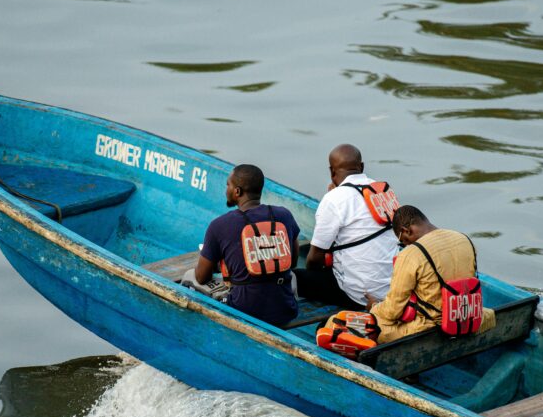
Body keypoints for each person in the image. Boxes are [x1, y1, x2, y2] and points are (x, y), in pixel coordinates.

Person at [365, 206, 495, 344]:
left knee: (373, 325)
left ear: (406, 231)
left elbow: (393, 310)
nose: (406, 245)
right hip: (467, 316)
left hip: (432, 328)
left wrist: (374, 307)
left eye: (403, 241)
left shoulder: (411, 254)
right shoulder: (465, 239)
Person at [295, 144, 399, 309]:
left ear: (332, 172)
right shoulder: (384, 191)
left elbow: (315, 257)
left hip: (360, 296)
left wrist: (314, 275)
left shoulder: (333, 199)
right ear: (362, 167)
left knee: (294, 278)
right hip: (393, 288)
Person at [196, 164, 300, 327]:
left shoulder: (219, 225)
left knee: (190, 278)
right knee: (291, 275)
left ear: (237, 192)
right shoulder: (284, 215)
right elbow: (292, 262)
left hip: (243, 310)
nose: (226, 190)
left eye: (228, 185)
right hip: (285, 311)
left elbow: (201, 277)